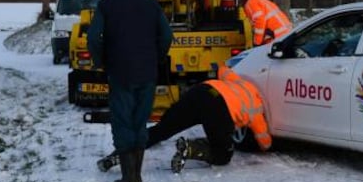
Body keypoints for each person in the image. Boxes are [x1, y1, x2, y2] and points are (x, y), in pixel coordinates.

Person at [99, 64, 271, 174]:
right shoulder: (257, 110)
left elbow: (223, 70)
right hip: (220, 110)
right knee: (223, 155)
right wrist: (268, 146)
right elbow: (264, 141)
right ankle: (191, 148)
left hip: (201, 92)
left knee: (163, 129)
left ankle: (120, 154)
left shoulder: (239, 82)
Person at [88, 0, 173, 182]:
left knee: (123, 120)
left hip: (120, 72)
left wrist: (100, 61)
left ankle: (128, 179)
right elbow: (167, 35)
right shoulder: (150, 3)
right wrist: (156, 56)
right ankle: (137, 175)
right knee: (140, 121)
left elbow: (93, 37)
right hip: (147, 72)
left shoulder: (106, 6)